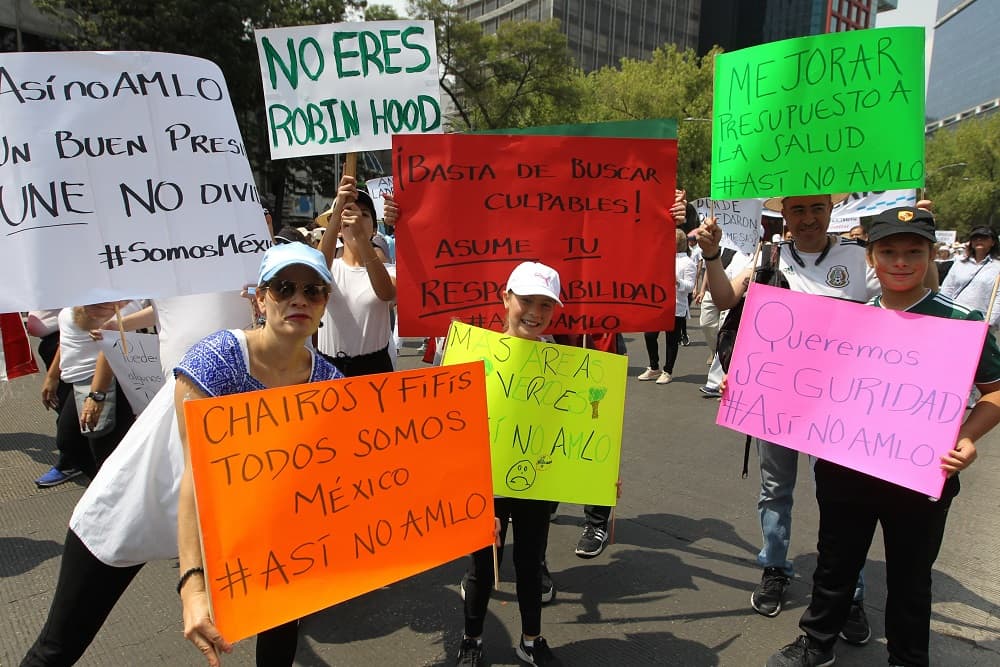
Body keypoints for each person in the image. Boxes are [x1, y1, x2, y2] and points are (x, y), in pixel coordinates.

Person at [766, 206, 1000, 667]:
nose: (900, 262)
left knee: (911, 575)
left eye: (913, 251)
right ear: (871, 257)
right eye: (888, 251)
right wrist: (755, 384)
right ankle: (817, 642)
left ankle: (907, 658)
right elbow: (802, 380)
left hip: (921, 469)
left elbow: (995, 391)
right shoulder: (845, 319)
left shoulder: (963, 321)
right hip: (845, 467)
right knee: (835, 562)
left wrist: (969, 438)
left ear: (932, 255)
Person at [697, 193, 878, 638]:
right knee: (775, 489)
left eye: (817, 207)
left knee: (840, 498)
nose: (809, 217)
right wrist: (711, 254)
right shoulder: (765, 256)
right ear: (786, 216)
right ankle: (775, 567)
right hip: (775, 400)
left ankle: (847, 590)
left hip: (839, 403)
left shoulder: (859, 259)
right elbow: (723, 299)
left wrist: (921, 234)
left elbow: (913, 294)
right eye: (798, 209)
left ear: (831, 211)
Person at [176, 243, 343, 666]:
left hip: (285, 538)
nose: (299, 299)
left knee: (280, 638)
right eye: (284, 287)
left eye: (313, 290)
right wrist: (193, 588)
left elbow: (363, 473)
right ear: (261, 298)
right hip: (215, 527)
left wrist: (459, 514)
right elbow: (196, 478)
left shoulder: (332, 385)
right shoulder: (214, 362)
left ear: (325, 303)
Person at [456, 261, 564, 667]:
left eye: (546, 305)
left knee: (531, 563)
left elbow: (574, 432)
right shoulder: (475, 355)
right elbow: (457, 430)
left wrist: (601, 478)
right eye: (526, 301)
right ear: (505, 298)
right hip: (486, 484)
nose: (535, 313)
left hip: (537, 483)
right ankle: (472, 639)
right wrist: (473, 490)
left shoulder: (561, 362)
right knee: (482, 570)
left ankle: (531, 639)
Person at [317, 176, 397, 375]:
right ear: (338, 229)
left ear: (375, 229)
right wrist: (337, 212)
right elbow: (315, 269)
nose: (356, 219)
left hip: (373, 369)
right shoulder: (329, 267)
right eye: (349, 213)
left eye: (364, 215)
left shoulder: (389, 271)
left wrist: (361, 238)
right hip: (329, 368)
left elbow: (386, 293)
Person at [638, 228, 696, 384]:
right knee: (649, 335)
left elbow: (690, 286)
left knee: (671, 339)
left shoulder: (688, 263)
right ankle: (654, 366)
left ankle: (668, 370)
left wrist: (677, 281)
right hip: (658, 304)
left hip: (676, 305)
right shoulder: (661, 258)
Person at [939, 225, 1000, 333]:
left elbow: (998, 298)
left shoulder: (997, 267)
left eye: (984, 237)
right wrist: (941, 313)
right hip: (954, 318)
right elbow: (947, 289)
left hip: (981, 322)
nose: (979, 240)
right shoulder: (959, 264)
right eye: (975, 237)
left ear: (993, 242)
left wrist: (989, 323)